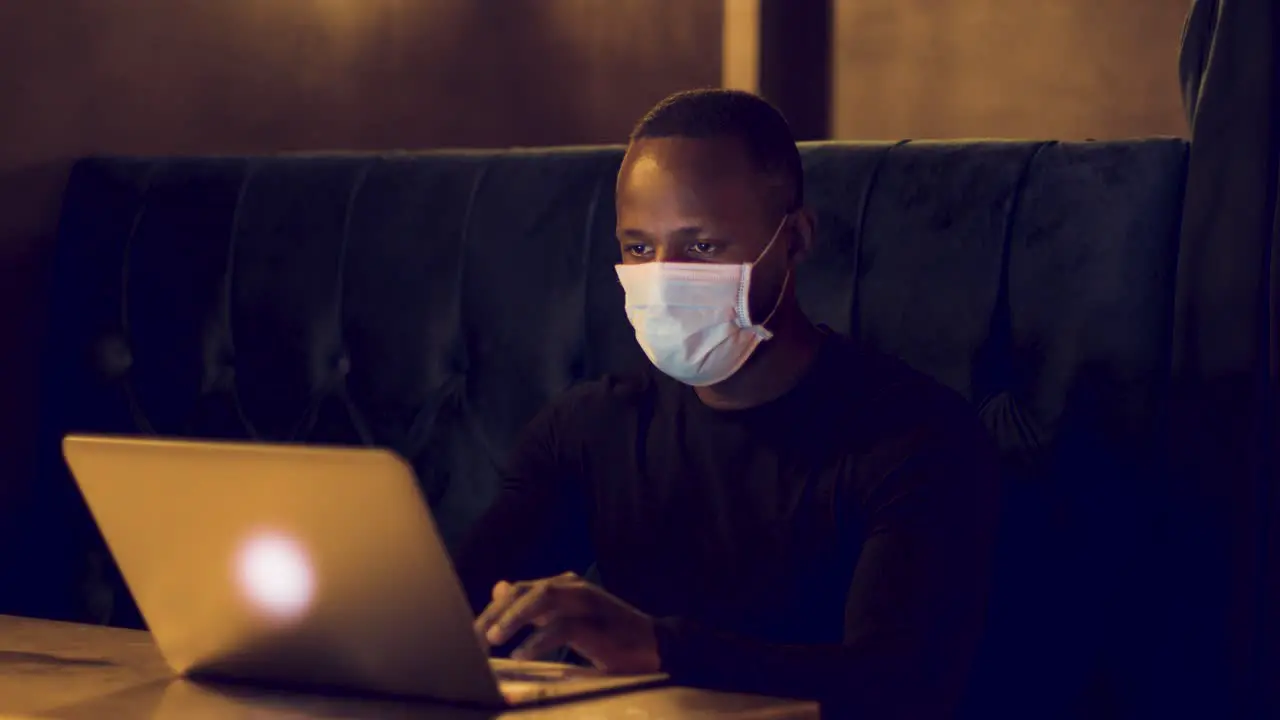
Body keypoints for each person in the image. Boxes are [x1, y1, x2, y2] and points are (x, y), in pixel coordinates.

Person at [454, 88, 1002, 717]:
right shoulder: (586, 430)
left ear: (794, 238)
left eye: (702, 247)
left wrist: (657, 646)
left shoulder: (916, 437)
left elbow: (900, 685)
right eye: (639, 248)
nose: (663, 276)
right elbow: (458, 614)